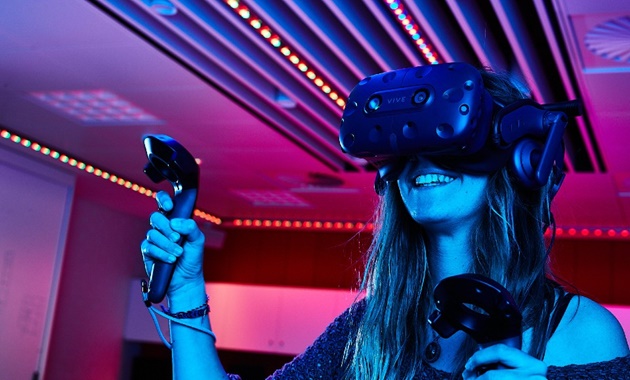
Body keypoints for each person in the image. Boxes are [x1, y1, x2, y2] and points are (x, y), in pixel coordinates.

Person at [140, 64, 630, 379]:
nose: (423, 161)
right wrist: (185, 290)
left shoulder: (580, 332)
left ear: (516, 161)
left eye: (450, 140)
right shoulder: (368, 328)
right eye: (410, 146)